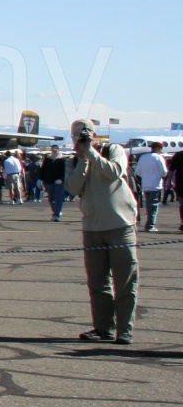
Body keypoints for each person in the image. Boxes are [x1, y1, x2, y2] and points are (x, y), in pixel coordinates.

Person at [65, 119, 138, 344]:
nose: (81, 138)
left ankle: (124, 329)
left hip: (120, 225)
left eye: (84, 134)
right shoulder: (74, 161)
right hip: (92, 227)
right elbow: (73, 188)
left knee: (125, 280)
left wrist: (93, 154)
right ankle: (103, 327)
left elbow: (114, 172)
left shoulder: (112, 150)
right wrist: (83, 160)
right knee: (98, 282)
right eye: (76, 135)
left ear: (94, 134)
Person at [134, 146, 168, 234]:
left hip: (146, 184)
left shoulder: (143, 157)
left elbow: (137, 171)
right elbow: (164, 172)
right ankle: (150, 225)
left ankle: (149, 223)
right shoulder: (159, 157)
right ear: (159, 149)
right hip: (155, 185)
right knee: (153, 205)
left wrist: (146, 176)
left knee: (149, 205)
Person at [40, 146, 68, 221]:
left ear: (58, 150)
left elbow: (66, 171)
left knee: (58, 198)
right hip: (49, 181)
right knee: (51, 198)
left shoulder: (63, 159)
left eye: (55, 149)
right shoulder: (48, 159)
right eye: (53, 149)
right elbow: (43, 169)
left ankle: (56, 215)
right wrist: (40, 179)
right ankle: (56, 210)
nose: (54, 151)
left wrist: (62, 179)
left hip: (59, 182)